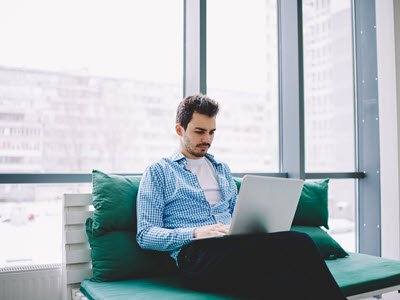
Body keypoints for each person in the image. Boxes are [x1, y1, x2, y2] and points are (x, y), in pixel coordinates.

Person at [136, 94, 347, 300]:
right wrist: (195, 232)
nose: (207, 139)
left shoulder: (222, 170)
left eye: (212, 132)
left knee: (291, 286)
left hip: (236, 250)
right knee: (298, 241)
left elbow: (240, 216)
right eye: (199, 131)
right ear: (179, 129)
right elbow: (145, 235)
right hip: (195, 256)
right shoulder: (158, 172)